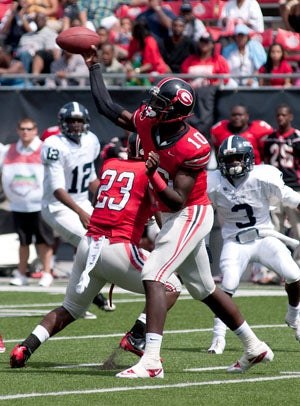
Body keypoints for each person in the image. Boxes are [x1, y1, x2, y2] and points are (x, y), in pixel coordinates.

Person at [80, 48, 274, 378]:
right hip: (173, 214)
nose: (151, 107)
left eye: (159, 104)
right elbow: (106, 107)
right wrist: (94, 65)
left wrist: (152, 171)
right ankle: (255, 346)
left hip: (191, 212)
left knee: (154, 274)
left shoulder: (194, 146)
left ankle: (151, 360)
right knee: (203, 290)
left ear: (175, 113)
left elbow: (176, 201)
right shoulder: (146, 120)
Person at [9, 132, 182, 368]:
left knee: (69, 308)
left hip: (88, 246)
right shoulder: (149, 173)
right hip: (117, 247)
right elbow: (160, 213)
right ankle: (137, 335)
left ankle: (24, 348)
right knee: (171, 286)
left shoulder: (110, 165)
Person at [206, 135, 300, 354]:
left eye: (237, 159)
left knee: (295, 274)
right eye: (228, 160)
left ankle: (294, 315)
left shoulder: (262, 176)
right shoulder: (213, 182)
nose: (232, 164)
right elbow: (201, 209)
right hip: (235, 242)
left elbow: (288, 196)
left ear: (247, 158)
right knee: (227, 285)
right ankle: (218, 337)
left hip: (264, 237)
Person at [40, 101, 113, 315]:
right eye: (71, 121)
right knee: (87, 242)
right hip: (57, 207)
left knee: (104, 242)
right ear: (62, 123)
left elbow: (89, 177)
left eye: (79, 121)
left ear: (86, 123)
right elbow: (57, 189)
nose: (75, 125)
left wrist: (108, 197)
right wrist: (81, 213)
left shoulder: (90, 141)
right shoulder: (53, 145)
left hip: (82, 201)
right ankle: (78, 300)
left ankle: (88, 293)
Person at [0, 117, 55, 287]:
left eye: (29, 129)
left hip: (40, 205)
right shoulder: (8, 151)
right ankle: (22, 273)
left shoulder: (44, 149)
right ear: (17, 131)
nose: (25, 132)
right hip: (18, 206)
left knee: (43, 241)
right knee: (23, 241)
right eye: (22, 129)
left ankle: (47, 273)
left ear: (35, 130)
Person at [263, 104, 300, 264]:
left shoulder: (297, 137)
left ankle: (298, 264)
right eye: (278, 115)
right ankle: (276, 267)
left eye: (284, 115)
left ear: (290, 117)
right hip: (275, 189)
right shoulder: (269, 138)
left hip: (294, 187)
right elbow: (265, 162)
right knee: (274, 230)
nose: (280, 118)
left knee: (298, 228)